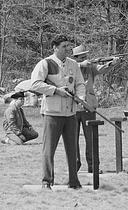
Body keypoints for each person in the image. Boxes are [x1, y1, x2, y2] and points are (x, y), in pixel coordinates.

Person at [30, 35, 86, 190]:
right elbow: (35, 84)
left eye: (69, 46)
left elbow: (80, 83)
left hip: (71, 113)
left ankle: (74, 181)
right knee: (49, 149)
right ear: (54, 47)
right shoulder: (45, 63)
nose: (68, 49)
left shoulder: (74, 64)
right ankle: (46, 181)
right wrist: (55, 90)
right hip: (52, 113)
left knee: (73, 149)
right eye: (64, 46)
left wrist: (80, 97)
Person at [72, 44, 120, 173]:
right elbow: (65, 69)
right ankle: (74, 165)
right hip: (73, 107)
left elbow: (101, 69)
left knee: (91, 139)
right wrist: (81, 64)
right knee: (72, 139)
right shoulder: (71, 66)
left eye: (85, 56)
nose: (85, 59)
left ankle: (93, 166)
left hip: (88, 107)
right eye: (82, 57)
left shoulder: (90, 67)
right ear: (76, 58)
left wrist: (112, 63)